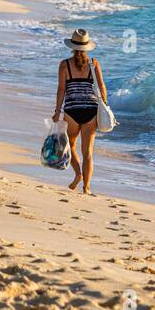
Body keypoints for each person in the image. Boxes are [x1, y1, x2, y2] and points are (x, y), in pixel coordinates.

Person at [50, 29, 107, 195]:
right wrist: (104, 103)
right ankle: (87, 188)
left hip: (72, 110)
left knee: (70, 146)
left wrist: (57, 111)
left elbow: (61, 90)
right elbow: (101, 86)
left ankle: (78, 174)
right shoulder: (94, 63)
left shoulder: (65, 64)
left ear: (72, 46)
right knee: (88, 152)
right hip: (91, 110)